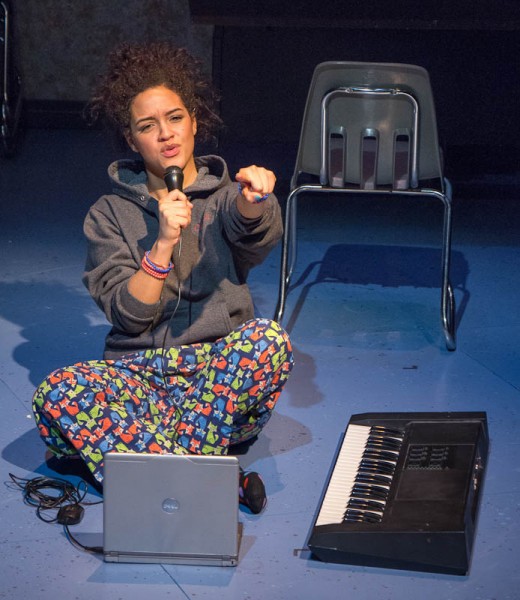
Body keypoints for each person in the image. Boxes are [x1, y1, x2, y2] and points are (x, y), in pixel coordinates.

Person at [32, 41, 293, 514]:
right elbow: (129, 317)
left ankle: (149, 465)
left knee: (268, 341)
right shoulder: (108, 214)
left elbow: (252, 231)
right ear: (132, 140)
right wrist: (162, 245)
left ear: (194, 121)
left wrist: (253, 202)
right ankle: (208, 475)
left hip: (217, 383)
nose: (166, 134)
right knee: (56, 392)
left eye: (175, 118)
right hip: (139, 380)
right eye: (147, 126)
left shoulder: (224, 196)